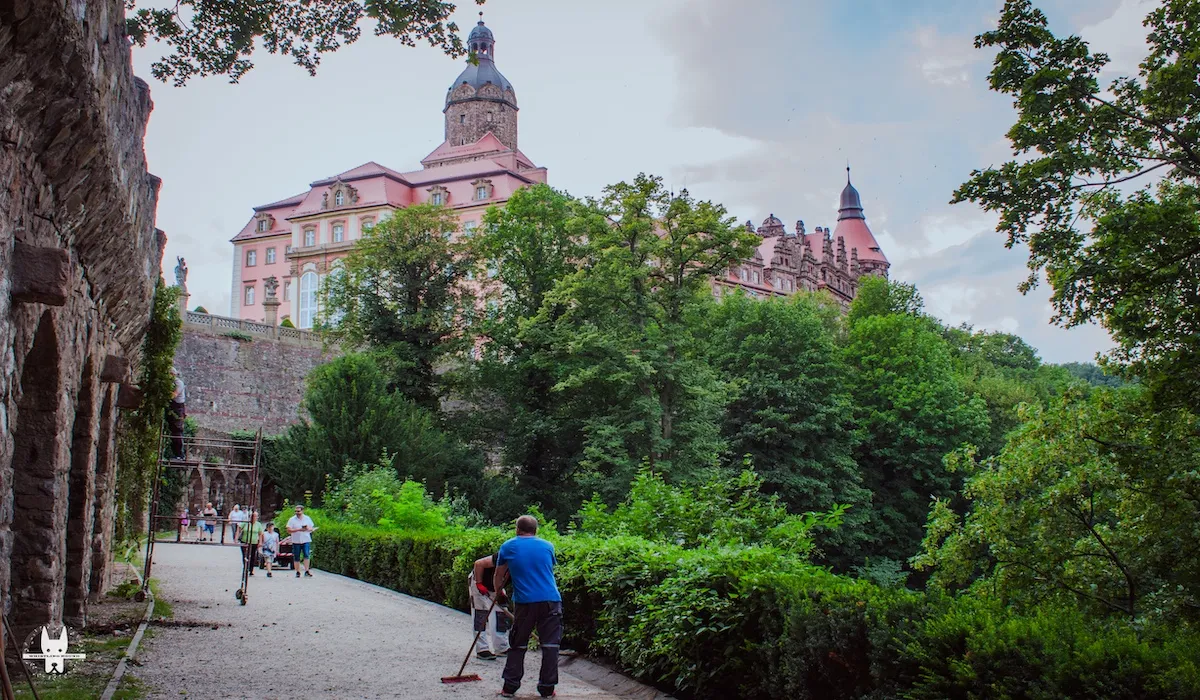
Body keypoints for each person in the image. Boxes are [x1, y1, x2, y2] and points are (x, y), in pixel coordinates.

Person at [494, 515, 562, 699]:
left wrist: (500, 593)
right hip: (551, 600)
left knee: (518, 644)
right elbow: (544, 569)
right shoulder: (548, 546)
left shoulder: (508, 546)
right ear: (535, 530)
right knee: (550, 645)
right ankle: (547, 688)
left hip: (525, 602)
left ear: (517, 529)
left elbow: (498, 575)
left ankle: (510, 687)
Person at [468, 554, 510, 660]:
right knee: (480, 614)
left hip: (497, 585)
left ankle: (501, 647)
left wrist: (499, 592)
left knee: (501, 614)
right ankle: (482, 649)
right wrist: (479, 584)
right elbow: (478, 564)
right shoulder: (504, 555)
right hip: (480, 580)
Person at [286, 505, 316, 579]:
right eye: (296, 511)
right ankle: (297, 571)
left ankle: (307, 570)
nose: (297, 513)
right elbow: (288, 530)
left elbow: (311, 528)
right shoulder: (292, 519)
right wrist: (298, 529)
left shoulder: (307, 518)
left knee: (306, 555)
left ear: (302, 511)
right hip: (296, 540)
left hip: (305, 539)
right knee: (296, 556)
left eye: (298, 511)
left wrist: (308, 528)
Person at [166, 367, 187, 460]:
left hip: (178, 408)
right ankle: (175, 453)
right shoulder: (170, 383)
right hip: (172, 407)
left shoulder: (178, 383)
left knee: (177, 430)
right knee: (172, 429)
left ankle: (179, 455)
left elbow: (174, 394)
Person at [239, 510, 265, 577]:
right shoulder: (246, 523)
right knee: (245, 555)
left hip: (254, 542)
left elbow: (260, 534)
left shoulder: (258, 524)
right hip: (245, 541)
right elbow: (239, 528)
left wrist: (260, 542)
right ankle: (245, 567)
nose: (255, 517)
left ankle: (251, 569)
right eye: (254, 516)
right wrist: (236, 537)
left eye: (256, 516)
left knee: (253, 556)